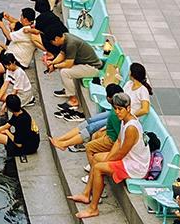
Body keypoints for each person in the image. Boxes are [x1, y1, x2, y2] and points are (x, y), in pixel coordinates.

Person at [69, 92, 150, 220]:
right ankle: (86, 194)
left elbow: (122, 153)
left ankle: (93, 208)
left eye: (120, 109)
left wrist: (107, 161)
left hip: (135, 166)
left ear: (128, 108)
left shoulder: (131, 128)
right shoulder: (124, 120)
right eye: (115, 109)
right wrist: (107, 158)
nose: (117, 112)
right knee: (96, 158)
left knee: (98, 168)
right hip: (128, 158)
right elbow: (118, 142)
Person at [44, 30, 103, 120]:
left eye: (52, 42)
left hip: (92, 68)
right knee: (62, 68)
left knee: (65, 72)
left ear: (56, 38)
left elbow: (68, 64)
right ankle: (68, 90)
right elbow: (62, 54)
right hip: (84, 64)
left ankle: (74, 100)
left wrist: (55, 66)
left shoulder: (71, 43)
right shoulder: (66, 37)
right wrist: (52, 63)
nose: (53, 44)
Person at [0, 93, 39, 166]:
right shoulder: (20, 112)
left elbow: (19, 144)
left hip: (28, 147)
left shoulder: (21, 121)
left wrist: (6, 132)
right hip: (26, 140)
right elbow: (7, 125)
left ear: (9, 108)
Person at [0, 52, 34, 116]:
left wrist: (5, 104)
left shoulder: (19, 73)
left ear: (14, 62)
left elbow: (14, 92)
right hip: (18, 93)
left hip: (23, 95)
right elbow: (5, 85)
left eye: (9, 65)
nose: (7, 67)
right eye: (6, 65)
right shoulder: (8, 70)